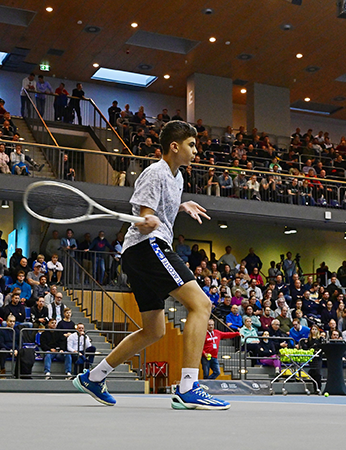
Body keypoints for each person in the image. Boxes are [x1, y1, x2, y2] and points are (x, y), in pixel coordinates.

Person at [73, 121, 229, 409]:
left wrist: (181, 207)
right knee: (201, 305)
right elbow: (146, 220)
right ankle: (189, 387)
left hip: (141, 254)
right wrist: (148, 222)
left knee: (154, 330)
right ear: (175, 146)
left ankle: (94, 377)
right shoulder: (154, 173)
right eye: (192, 145)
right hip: (148, 247)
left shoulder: (177, 178)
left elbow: (161, 211)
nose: (196, 151)